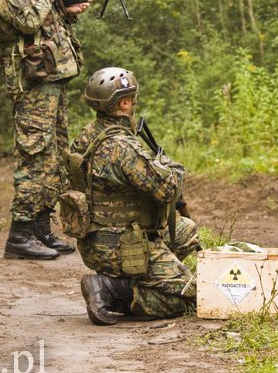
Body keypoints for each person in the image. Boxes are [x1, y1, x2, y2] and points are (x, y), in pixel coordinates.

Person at [0, 0, 91, 260]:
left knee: (54, 156)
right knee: (34, 156)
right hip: (32, 83)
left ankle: (42, 229)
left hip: (50, 79)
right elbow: (26, 22)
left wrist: (66, 11)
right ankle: (19, 235)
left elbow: (41, 26)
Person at [67, 67, 200, 324]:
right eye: (133, 99)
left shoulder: (85, 138)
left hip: (94, 243)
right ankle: (113, 290)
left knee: (186, 231)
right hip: (123, 247)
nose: (134, 105)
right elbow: (168, 190)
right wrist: (173, 167)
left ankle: (132, 278)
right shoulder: (123, 147)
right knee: (190, 297)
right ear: (124, 103)